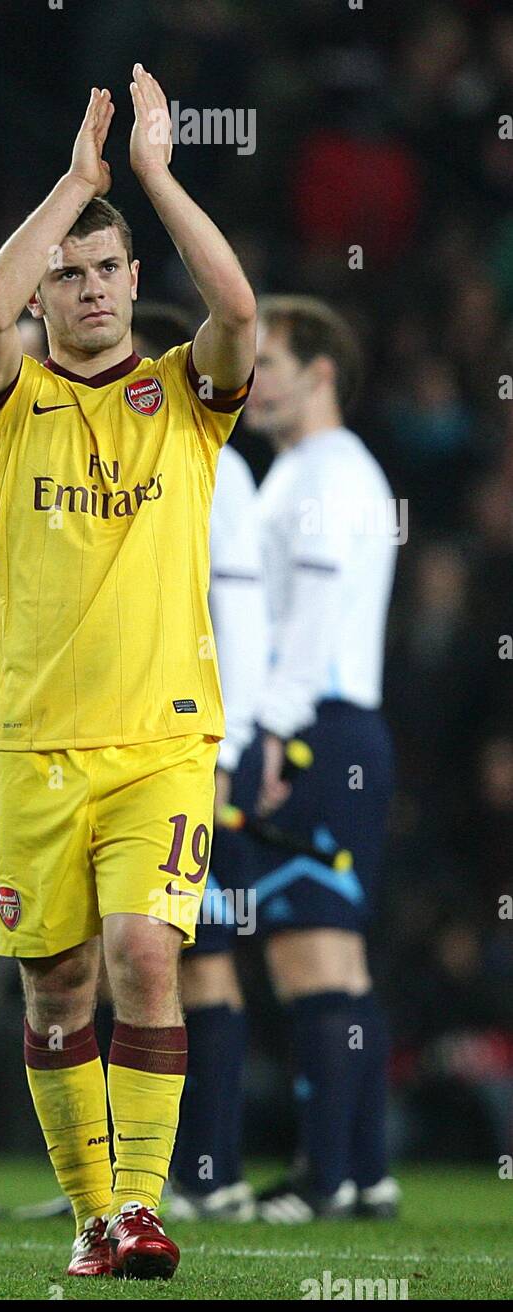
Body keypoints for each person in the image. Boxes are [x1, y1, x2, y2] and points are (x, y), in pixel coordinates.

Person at [0, 74, 255, 1279]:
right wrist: (78, 185)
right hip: (32, 743)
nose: (85, 289)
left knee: (145, 953)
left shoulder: (185, 394)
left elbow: (239, 307)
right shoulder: (6, 402)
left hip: (163, 741)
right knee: (57, 989)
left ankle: (137, 1205)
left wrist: (156, 180)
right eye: (66, 275)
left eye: (105, 270)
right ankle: (92, 1214)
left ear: (135, 283)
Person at [237, 295, 399, 1223]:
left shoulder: (324, 476)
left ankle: (322, 1178)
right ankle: (365, 1172)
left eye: (270, 361)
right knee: (343, 964)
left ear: (322, 371)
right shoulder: (316, 470)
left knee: (314, 962)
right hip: (340, 727)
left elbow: (316, 617)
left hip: (318, 727)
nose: (252, 380)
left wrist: (272, 727)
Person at [130, 306, 267, 1223]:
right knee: (157, 961)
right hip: (144, 739)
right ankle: (165, 1178)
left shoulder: (215, 460)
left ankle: (213, 1174)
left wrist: (236, 741)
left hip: (202, 746)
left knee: (202, 965)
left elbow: (242, 611)